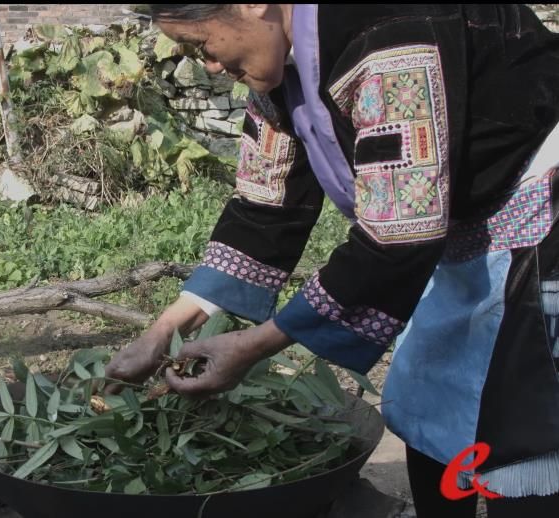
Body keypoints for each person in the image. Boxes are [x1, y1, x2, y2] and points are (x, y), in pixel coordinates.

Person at [104, 4, 559, 517]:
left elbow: (398, 233)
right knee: (430, 404)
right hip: (454, 238)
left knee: (527, 430)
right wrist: (161, 333)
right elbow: (265, 206)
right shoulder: (280, 65)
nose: (208, 65)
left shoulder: (386, 29)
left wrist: (258, 344)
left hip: (540, 227)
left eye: (201, 44)